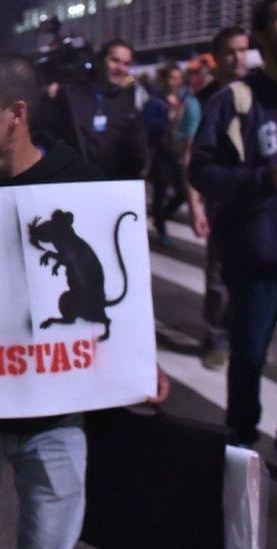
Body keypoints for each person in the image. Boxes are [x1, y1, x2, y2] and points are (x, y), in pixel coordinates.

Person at [0, 49, 169, 548]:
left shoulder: (82, 186)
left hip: (57, 418)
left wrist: (140, 358)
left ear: (16, 114)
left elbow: (119, 296)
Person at [189, 0, 277, 447]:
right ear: (262, 35)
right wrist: (264, 178)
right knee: (248, 359)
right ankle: (241, 450)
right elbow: (200, 171)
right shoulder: (236, 100)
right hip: (256, 260)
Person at [184, 27, 250, 370]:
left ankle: (250, 334)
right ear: (217, 57)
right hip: (222, 201)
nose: (238, 58)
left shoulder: (261, 91)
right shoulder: (202, 100)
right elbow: (192, 159)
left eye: (243, 50)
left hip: (259, 200)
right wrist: (196, 207)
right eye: (230, 51)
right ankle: (216, 339)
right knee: (219, 280)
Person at [39, 38, 147, 180]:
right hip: (72, 181)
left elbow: (136, 154)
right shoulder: (71, 95)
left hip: (111, 184)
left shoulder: (127, 104)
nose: (120, 68)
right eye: (115, 60)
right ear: (100, 60)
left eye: (126, 63)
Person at [143, 62, 188, 244]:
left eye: (179, 78)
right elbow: (147, 126)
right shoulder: (155, 102)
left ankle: (160, 217)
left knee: (182, 193)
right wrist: (166, 119)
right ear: (164, 79)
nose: (176, 82)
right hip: (160, 154)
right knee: (160, 193)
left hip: (176, 153)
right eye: (172, 78)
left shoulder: (180, 99)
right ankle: (161, 229)